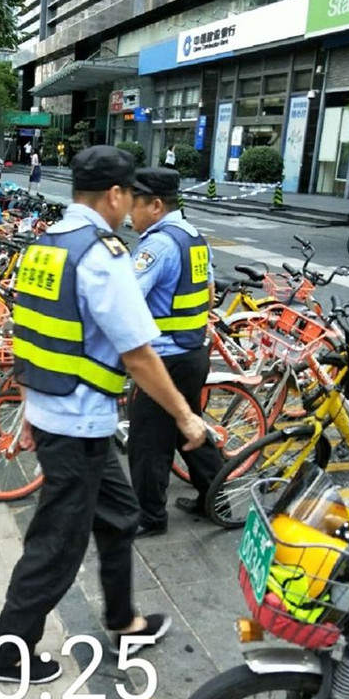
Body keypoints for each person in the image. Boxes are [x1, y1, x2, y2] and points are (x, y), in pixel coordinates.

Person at [0, 145, 206, 685]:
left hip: (67, 415)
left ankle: (125, 623)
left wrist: (32, 409)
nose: (129, 207)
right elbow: (138, 354)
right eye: (129, 196)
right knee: (56, 544)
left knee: (120, 514)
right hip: (77, 423)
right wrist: (185, 416)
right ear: (114, 194)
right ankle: (8, 654)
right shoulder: (101, 256)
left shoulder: (46, 245)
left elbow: (30, 336)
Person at [127, 167, 223, 537]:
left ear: (155, 205)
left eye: (134, 203)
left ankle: (150, 517)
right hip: (193, 352)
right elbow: (210, 295)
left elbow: (125, 302)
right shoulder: (193, 237)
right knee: (190, 427)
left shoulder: (158, 246)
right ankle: (216, 499)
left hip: (163, 358)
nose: (129, 212)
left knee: (148, 440)